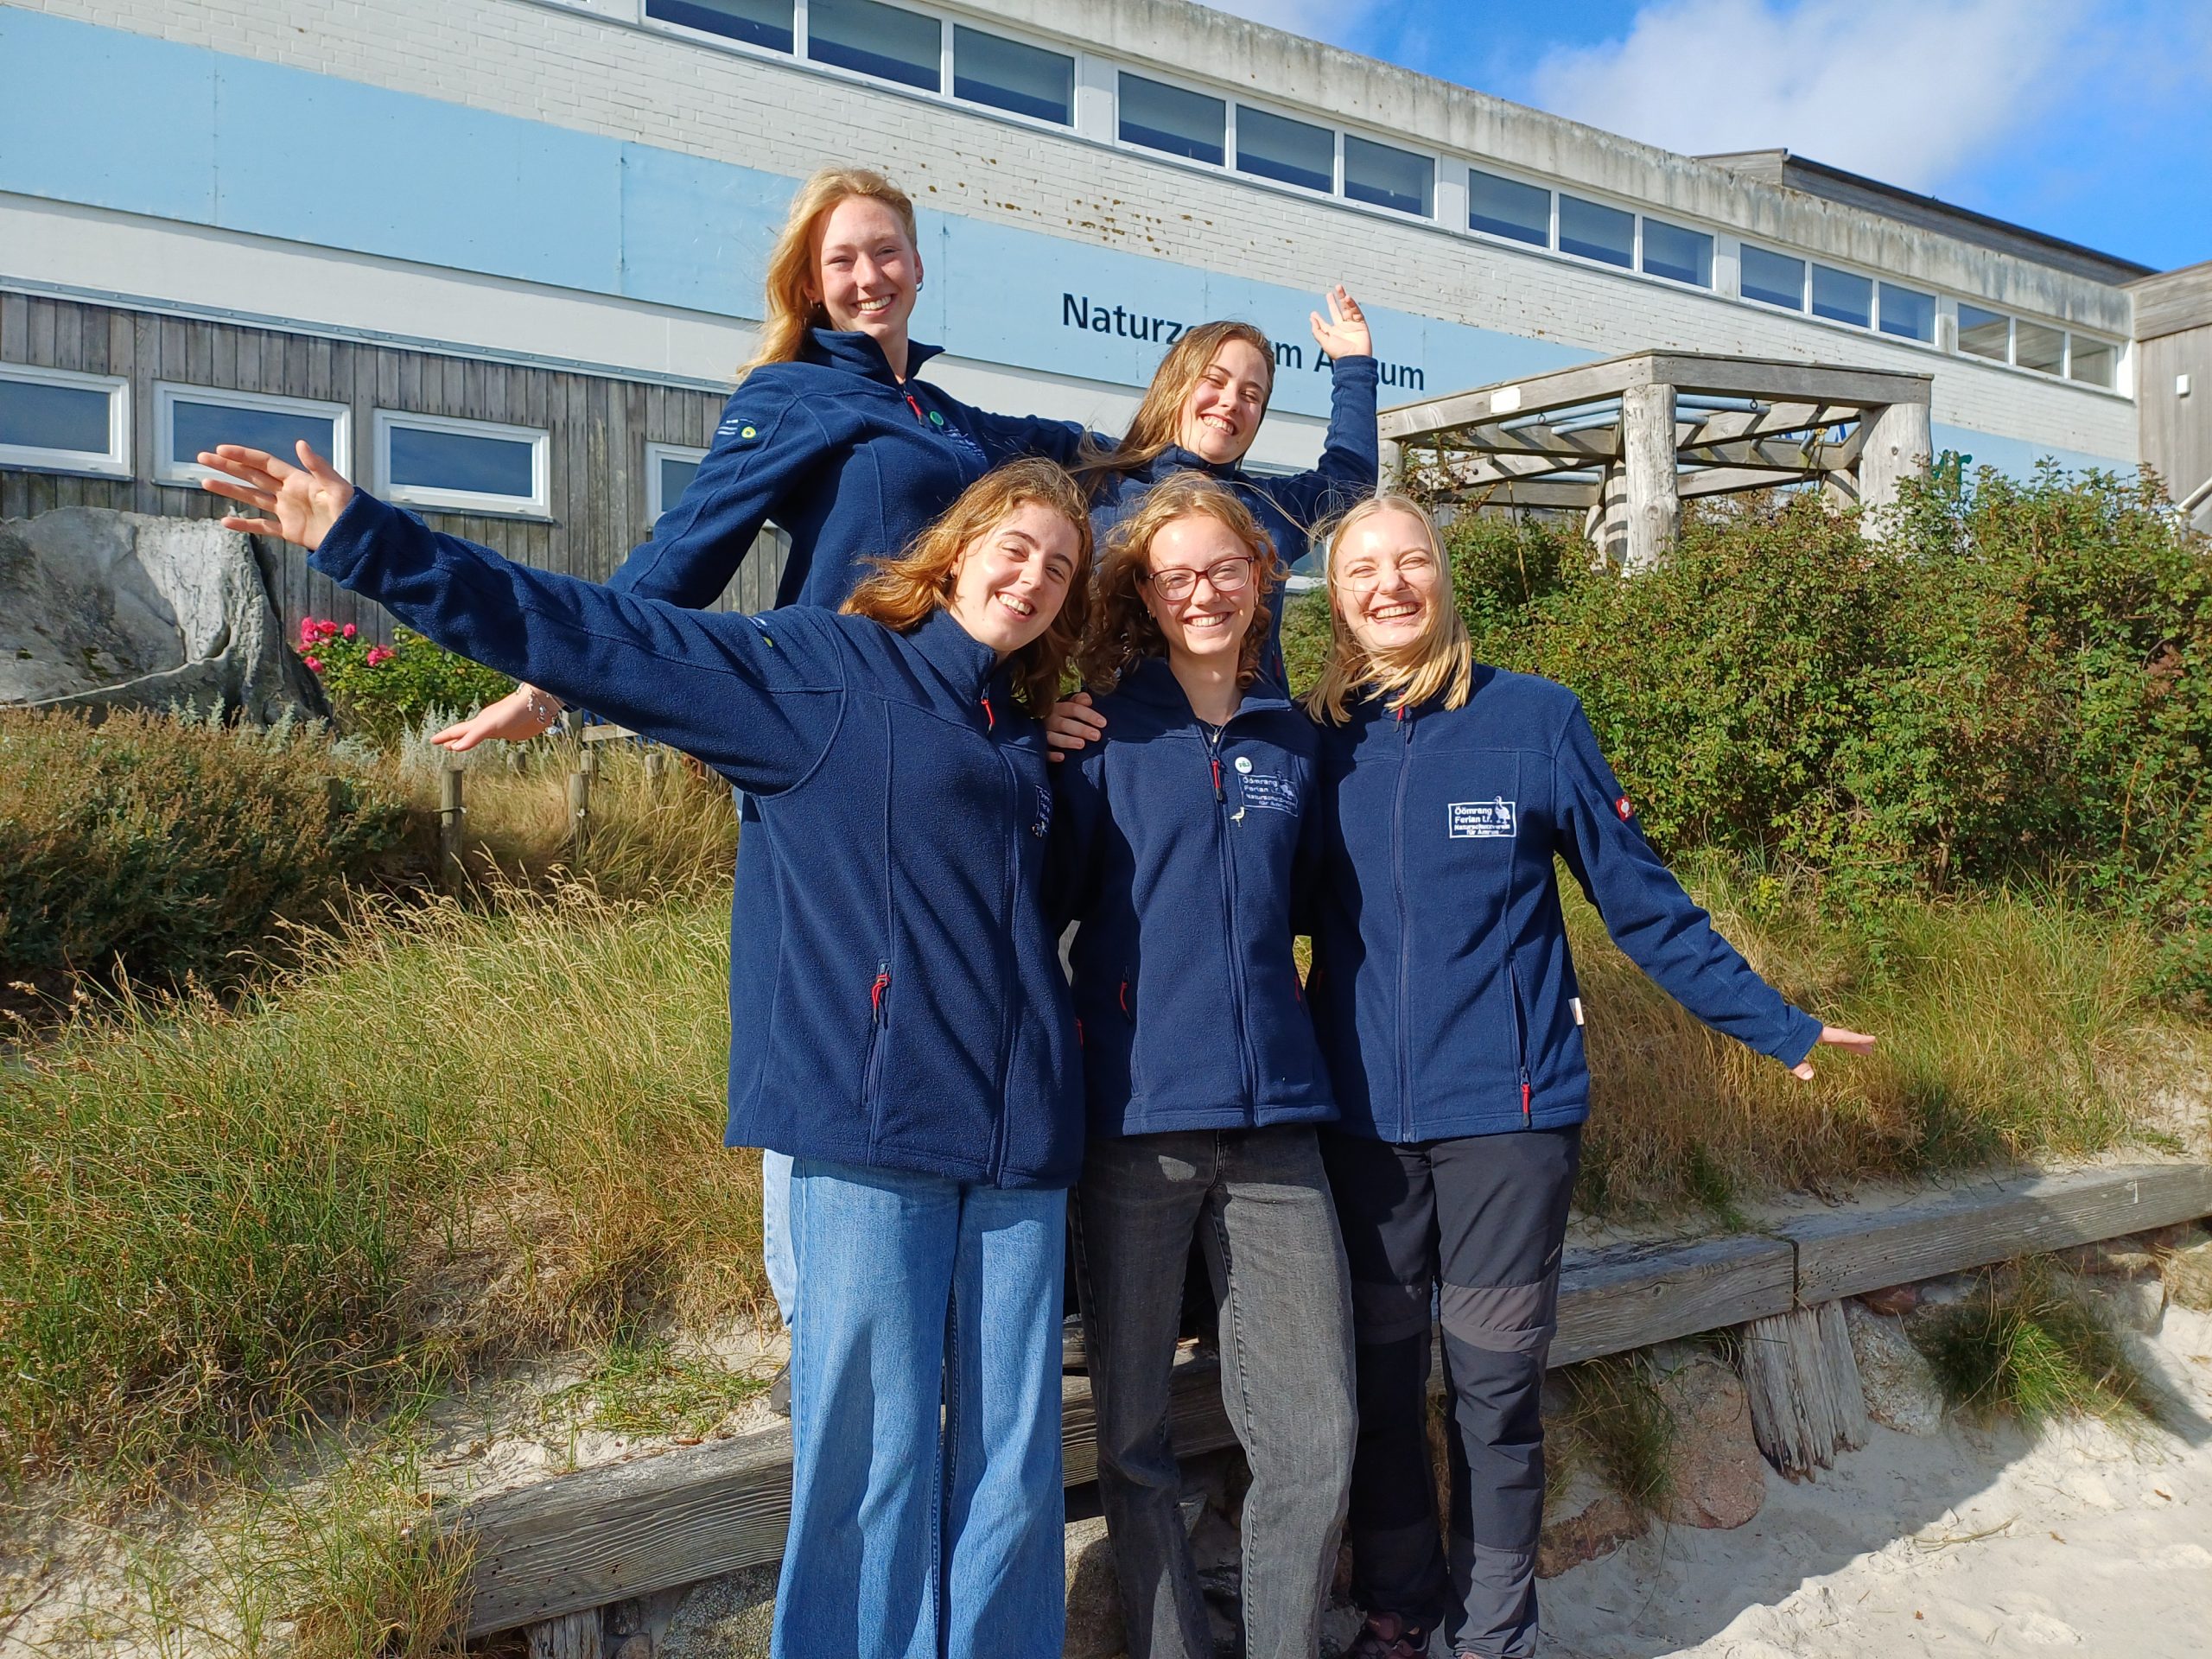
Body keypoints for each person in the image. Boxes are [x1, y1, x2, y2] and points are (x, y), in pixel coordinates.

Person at [200, 441, 1096, 1658]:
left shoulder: (1023, 735)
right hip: (876, 1130)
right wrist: (365, 539)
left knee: (1013, 1469)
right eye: (1014, 548)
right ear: (950, 558)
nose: (1033, 577)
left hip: (1020, 1139)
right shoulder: (822, 672)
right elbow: (597, 633)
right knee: (874, 1460)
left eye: (1059, 567)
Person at [434, 166, 1098, 1374]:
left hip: (963, 731)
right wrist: (552, 682)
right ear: (811, 281)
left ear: (919, 264)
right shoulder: (791, 394)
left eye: (886, 251)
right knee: (826, 1006)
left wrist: (1276, 427)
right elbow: (693, 542)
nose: (869, 275)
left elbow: (1120, 460)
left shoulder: (955, 420)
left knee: (975, 985)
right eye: (843, 259)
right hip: (831, 722)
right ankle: (815, 1324)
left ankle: (970, 1301)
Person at [1299, 494, 1877, 1659]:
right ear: (1338, 598)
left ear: (1444, 577)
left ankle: (1495, 1630)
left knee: (1494, 1390)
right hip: (1356, 1124)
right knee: (1379, 1381)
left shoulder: (1536, 719)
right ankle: (1401, 1607)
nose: (1389, 585)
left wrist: (1777, 1026)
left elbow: (1643, 905)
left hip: (1508, 1122)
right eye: (1363, 569)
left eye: (1411, 562)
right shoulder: (1311, 740)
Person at [1051, 474, 1355, 1659]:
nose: (1203, 592)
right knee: (1133, 1440)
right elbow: (1035, 908)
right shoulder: (1097, 734)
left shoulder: (1295, 740)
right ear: (1144, 593)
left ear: (1260, 577)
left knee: (1314, 1437)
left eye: (1225, 568)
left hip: (1280, 1127)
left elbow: (1339, 913)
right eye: (1175, 575)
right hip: (1133, 1125)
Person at [1048, 290, 1379, 767]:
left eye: (1251, 395)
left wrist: (1353, 368)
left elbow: (1349, 484)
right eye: (1215, 381)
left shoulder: (1270, 508)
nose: (1231, 402)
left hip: (1257, 753)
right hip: (1125, 753)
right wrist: (1037, 713)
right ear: (1175, 384)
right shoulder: (1097, 486)